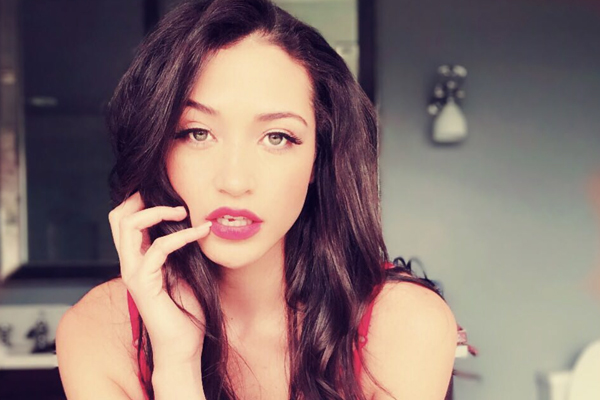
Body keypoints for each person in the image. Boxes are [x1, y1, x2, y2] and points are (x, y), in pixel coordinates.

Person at [55, 0, 457, 399]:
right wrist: (176, 360)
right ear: (158, 145)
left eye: (277, 137)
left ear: (318, 157)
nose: (234, 181)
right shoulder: (98, 331)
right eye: (197, 133)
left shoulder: (404, 324)